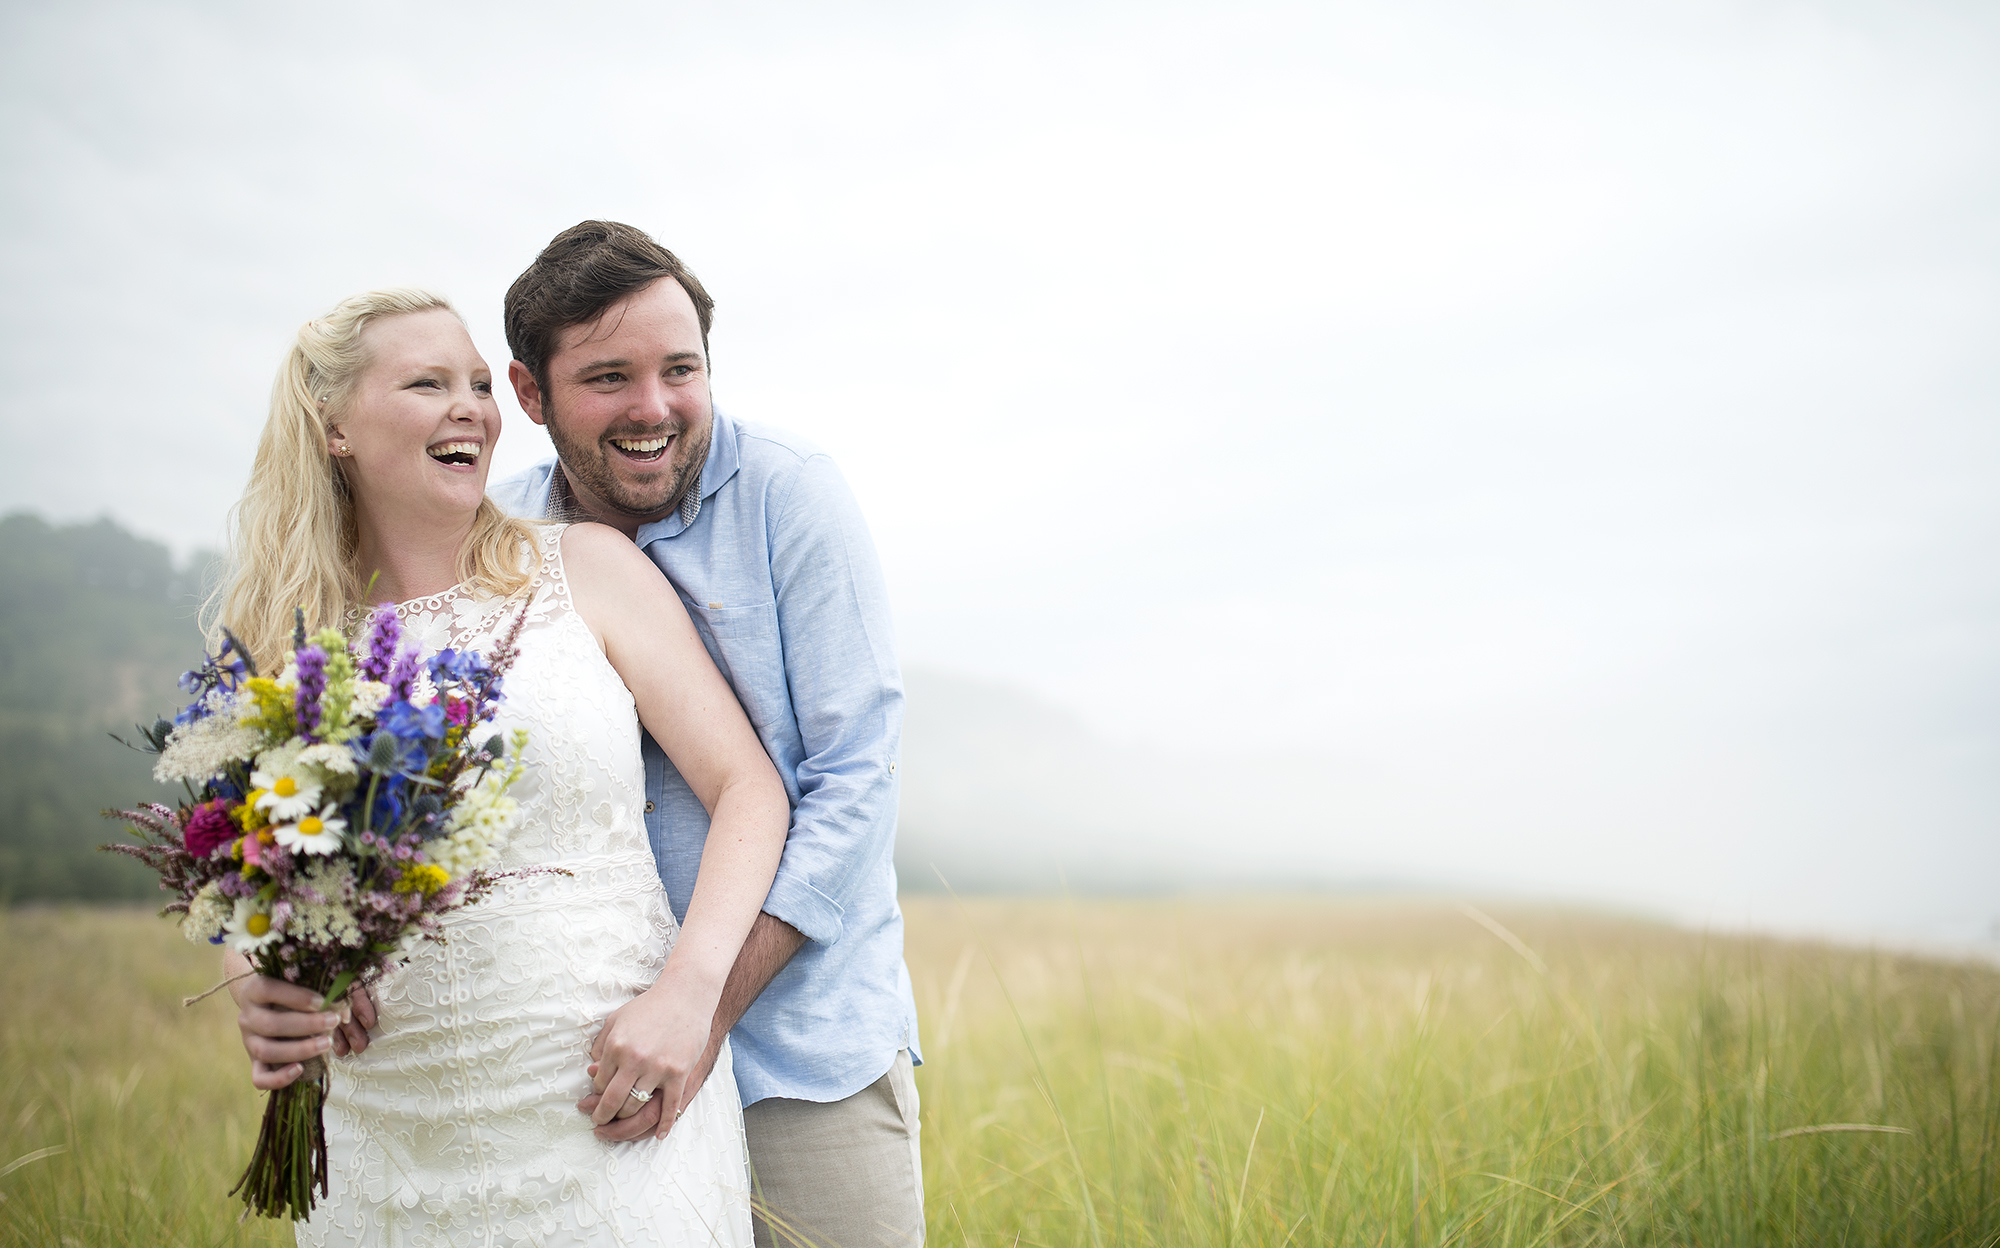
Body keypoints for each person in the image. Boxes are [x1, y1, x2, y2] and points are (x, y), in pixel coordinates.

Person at [217, 287, 790, 1245]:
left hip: (608, 1101)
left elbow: (749, 789)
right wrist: (257, 971)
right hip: (387, 1126)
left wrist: (689, 995)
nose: (473, 409)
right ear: (336, 430)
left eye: (480, 384)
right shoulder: (288, 640)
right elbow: (245, 867)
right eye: (428, 383)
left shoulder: (587, 568)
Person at [489, 221, 925, 1248]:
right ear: (528, 392)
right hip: (586, 1069)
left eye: (680, 369)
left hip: (800, 1053)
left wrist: (700, 1005)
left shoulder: (790, 494)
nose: (654, 408)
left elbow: (853, 784)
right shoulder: (502, 544)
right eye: (608, 377)